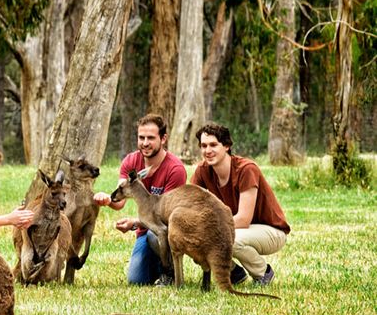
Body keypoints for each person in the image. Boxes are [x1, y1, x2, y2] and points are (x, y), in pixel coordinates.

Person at [92, 113, 187, 285]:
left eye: (150, 138)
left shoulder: (175, 169)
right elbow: (120, 201)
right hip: (145, 230)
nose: (145, 143)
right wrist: (108, 200)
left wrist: (135, 222)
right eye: (141, 137)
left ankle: (170, 272)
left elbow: (168, 218)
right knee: (137, 280)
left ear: (163, 138)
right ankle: (159, 265)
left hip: (169, 228)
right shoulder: (131, 162)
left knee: (155, 234)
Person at [190, 123, 289, 286]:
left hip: (270, 231)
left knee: (227, 240)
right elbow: (190, 203)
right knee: (195, 238)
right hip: (237, 229)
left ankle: (263, 273)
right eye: (204, 146)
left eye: (213, 145)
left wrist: (208, 229)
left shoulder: (246, 169)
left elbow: (243, 219)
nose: (208, 151)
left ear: (227, 146)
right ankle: (234, 273)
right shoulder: (203, 170)